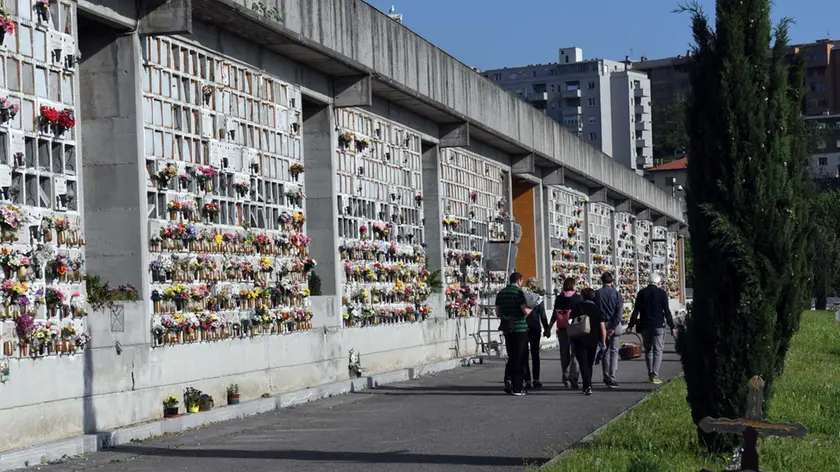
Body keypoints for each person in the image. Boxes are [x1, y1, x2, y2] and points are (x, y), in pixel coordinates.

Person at [628, 272, 676, 385]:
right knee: (658, 350)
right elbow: (667, 311)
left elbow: (636, 311)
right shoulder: (662, 293)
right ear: (658, 282)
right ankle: (655, 375)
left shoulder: (641, 293)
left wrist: (630, 325)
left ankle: (650, 374)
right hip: (659, 325)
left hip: (645, 325)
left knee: (648, 350)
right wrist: (672, 326)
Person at [495, 272, 532, 396]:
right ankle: (517, 387)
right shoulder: (519, 293)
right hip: (520, 328)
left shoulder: (501, 293)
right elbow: (525, 311)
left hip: (507, 328)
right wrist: (533, 306)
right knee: (520, 357)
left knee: (511, 356)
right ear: (519, 280)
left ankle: (508, 379)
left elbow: (498, 313)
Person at [568, 287, 607, 395]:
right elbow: (603, 327)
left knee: (582, 363)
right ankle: (588, 384)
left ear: (582, 296)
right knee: (589, 363)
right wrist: (603, 342)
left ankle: (587, 385)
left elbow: (570, 322)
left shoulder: (576, 307)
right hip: (593, 339)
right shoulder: (596, 309)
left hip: (579, 338)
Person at [547, 278, 582, 389]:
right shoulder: (577, 298)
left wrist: (549, 327)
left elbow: (554, 314)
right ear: (572, 285)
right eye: (575, 285)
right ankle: (574, 376)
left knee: (564, 353)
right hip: (575, 328)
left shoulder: (559, 298)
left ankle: (565, 377)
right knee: (575, 353)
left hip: (562, 328)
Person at [593, 272, 623, 388]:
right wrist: (613, 327)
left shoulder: (597, 294)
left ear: (602, 281)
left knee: (604, 350)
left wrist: (606, 328)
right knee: (614, 352)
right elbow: (619, 313)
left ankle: (606, 376)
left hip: (602, 326)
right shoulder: (616, 294)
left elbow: (595, 311)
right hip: (615, 326)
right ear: (612, 282)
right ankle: (612, 376)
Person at [522, 277, 550, 390]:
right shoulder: (539, 298)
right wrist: (547, 328)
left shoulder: (523, 297)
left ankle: (527, 379)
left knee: (524, 354)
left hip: (524, 327)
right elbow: (542, 315)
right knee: (535, 354)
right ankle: (536, 379)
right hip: (535, 327)